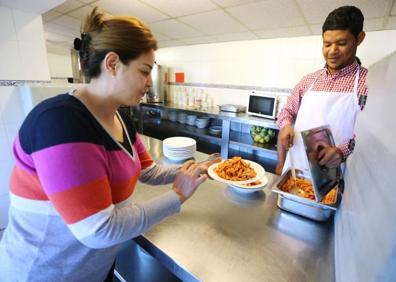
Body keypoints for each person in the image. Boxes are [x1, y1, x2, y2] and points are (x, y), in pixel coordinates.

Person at [0, 8, 218, 282]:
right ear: (113, 64)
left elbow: (147, 171)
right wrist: (177, 196)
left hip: (93, 271)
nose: (149, 84)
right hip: (44, 273)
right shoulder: (60, 123)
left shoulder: (120, 118)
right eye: (144, 71)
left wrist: (198, 169)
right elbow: (99, 230)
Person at [276, 5, 367, 175]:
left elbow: (368, 139)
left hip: (336, 180)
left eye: (341, 43)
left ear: (359, 39)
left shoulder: (368, 84)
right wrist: (286, 125)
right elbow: (287, 111)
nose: (332, 51)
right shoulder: (308, 80)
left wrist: (341, 152)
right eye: (327, 44)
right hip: (295, 174)